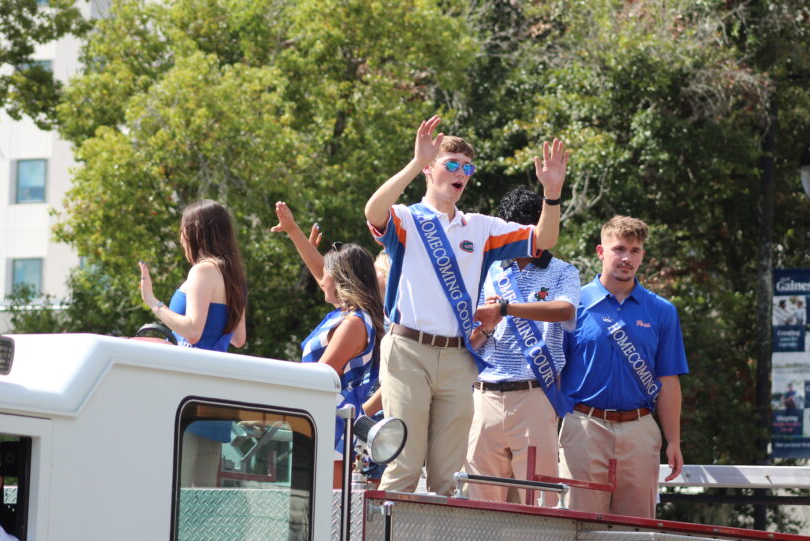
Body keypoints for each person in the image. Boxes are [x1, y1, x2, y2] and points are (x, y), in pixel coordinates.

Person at [364, 115, 567, 495]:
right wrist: (413, 162)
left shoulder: (481, 227)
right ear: (430, 168)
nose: (462, 173)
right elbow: (373, 212)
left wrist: (552, 194)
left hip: (458, 357)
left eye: (468, 167)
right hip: (408, 350)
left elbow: (543, 239)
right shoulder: (407, 219)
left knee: (447, 476)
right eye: (452, 164)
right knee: (404, 464)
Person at [558, 215, 688, 518]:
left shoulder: (661, 311)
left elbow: (667, 380)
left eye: (635, 250)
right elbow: (554, 371)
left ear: (642, 255)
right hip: (584, 425)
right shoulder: (572, 304)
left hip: (640, 429)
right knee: (578, 527)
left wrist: (675, 441)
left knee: (637, 530)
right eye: (619, 249)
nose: (626, 258)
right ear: (601, 252)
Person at [464, 187, 580, 505]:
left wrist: (507, 308)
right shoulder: (486, 273)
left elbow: (566, 310)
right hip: (483, 395)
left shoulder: (563, 272)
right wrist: (487, 326)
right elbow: (469, 343)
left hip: (535, 394)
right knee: (480, 501)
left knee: (538, 502)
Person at [271, 202, 385, 485]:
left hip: (332, 423)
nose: (321, 280)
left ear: (339, 280)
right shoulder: (347, 315)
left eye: (327, 275)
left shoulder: (355, 322)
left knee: (329, 508)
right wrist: (293, 230)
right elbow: (320, 270)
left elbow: (321, 376)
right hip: (321, 417)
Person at [139, 199, 247, 350]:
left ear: (194, 232)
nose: (181, 238)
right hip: (214, 368)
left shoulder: (202, 271)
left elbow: (193, 332)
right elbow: (238, 339)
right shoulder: (234, 277)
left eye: (183, 229)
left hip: (189, 366)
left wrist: (151, 300)